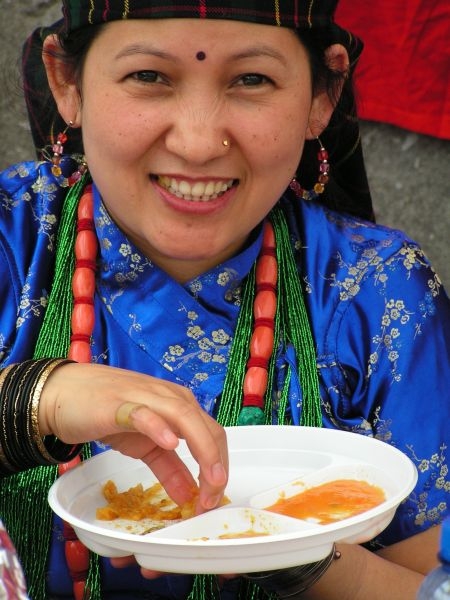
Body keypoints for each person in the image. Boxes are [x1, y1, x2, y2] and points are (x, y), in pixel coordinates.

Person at [0, 1, 449, 599]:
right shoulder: (10, 245)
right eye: (148, 76)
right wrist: (35, 400)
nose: (198, 143)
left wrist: (283, 546)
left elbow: (430, 584)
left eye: (252, 79)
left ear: (323, 95)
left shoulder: (378, 292)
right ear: (66, 81)